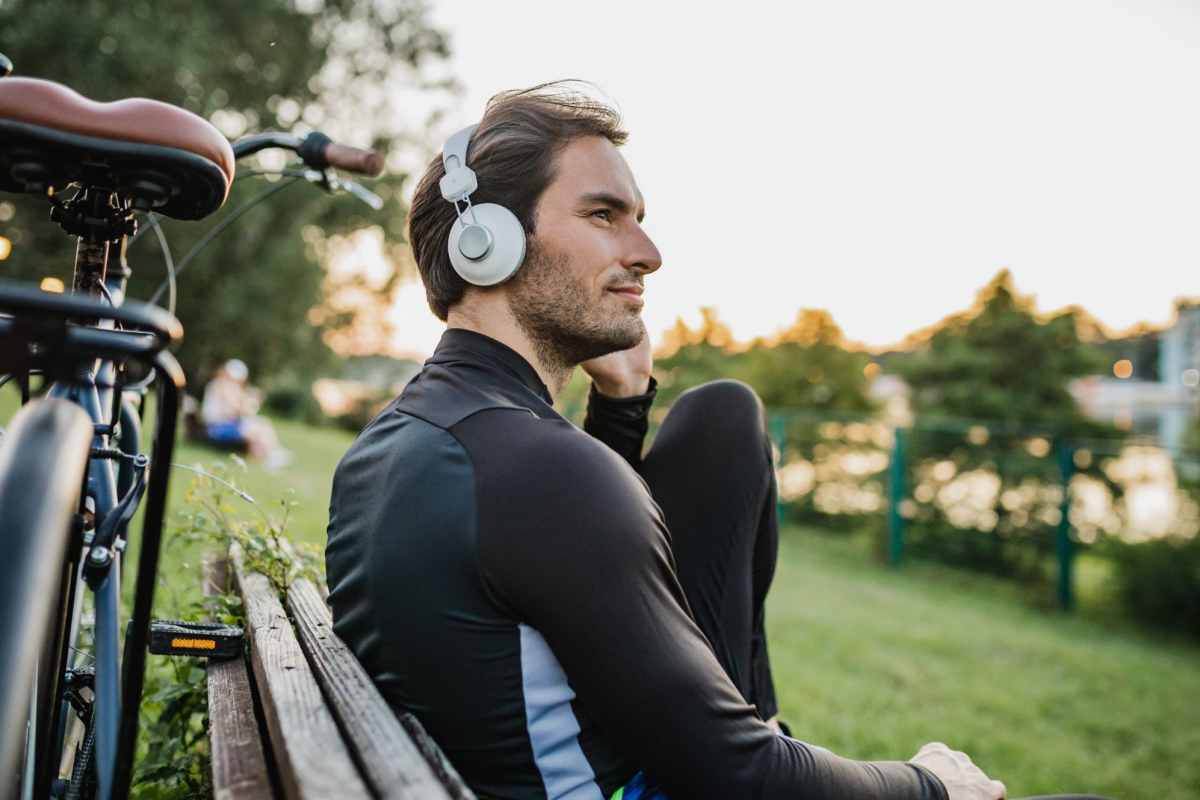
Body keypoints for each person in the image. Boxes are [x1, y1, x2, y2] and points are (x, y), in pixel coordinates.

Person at [324, 84, 1006, 800]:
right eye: (603, 215)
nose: (647, 253)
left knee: (720, 419)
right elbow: (737, 774)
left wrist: (621, 407)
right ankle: (773, 723)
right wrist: (932, 787)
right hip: (664, 781)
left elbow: (559, 560)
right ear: (485, 241)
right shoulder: (539, 471)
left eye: (639, 220)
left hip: (557, 756)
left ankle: (762, 716)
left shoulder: (401, 441)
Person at [200, 359, 290, 469]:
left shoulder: (226, 385)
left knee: (261, 424)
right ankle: (271, 455)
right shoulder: (221, 385)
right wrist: (252, 402)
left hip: (224, 424)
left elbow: (239, 410)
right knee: (254, 428)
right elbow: (236, 411)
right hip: (216, 427)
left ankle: (270, 455)